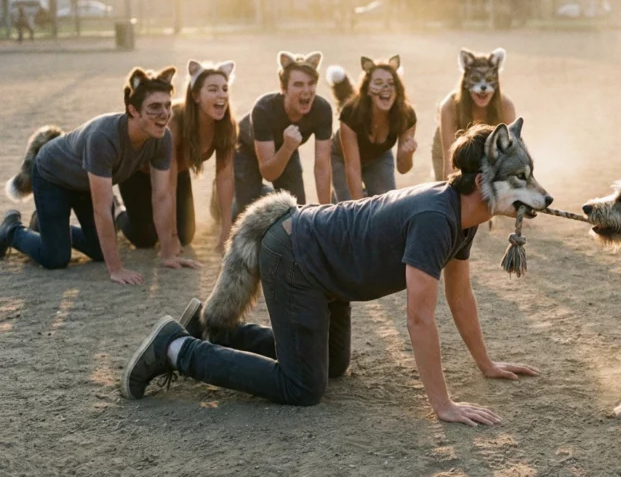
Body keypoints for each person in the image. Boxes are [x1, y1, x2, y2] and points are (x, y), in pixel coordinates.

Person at [121, 119, 554, 427]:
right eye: (521, 180)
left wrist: (485, 363)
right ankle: (175, 348)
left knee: (332, 366)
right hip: (297, 257)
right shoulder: (435, 219)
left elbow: (461, 297)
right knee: (302, 388)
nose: (539, 194)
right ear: (484, 178)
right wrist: (442, 404)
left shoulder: (465, 217)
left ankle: (206, 325)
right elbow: (420, 318)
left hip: (326, 271)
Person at [0, 67, 199, 284]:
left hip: (85, 183)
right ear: (133, 110)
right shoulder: (103, 137)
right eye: (154, 107)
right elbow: (102, 209)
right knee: (55, 258)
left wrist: (169, 254)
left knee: (97, 250)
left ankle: (44, 224)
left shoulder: (162, 136)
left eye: (167, 106)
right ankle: (12, 229)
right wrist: (116, 270)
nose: (164, 114)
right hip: (52, 175)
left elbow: (162, 196)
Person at [115, 60, 237, 253]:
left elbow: (225, 177)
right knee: (144, 239)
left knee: (186, 235)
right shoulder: (176, 121)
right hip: (138, 172)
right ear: (196, 95)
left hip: (177, 173)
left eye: (224, 89)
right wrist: (171, 238)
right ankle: (117, 210)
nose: (221, 95)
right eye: (213, 89)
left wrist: (226, 231)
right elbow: (167, 183)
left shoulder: (226, 125)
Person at [231, 51, 332, 220]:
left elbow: (322, 166)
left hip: (286, 149)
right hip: (246, 148)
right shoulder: (264, 109)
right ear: (283, 88)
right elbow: (268, 173)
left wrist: (327, 215)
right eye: (298, 84)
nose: (306, 90)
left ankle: (264, 193)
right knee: (248, 218)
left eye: (311, 83)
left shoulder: (322, 109)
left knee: (294, 214)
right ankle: (245, 195)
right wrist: (287, 147)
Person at [327, 55, 417, 202]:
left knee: (386, 206)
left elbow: (403, 168)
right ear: (367, 89)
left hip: (379, 156)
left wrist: (408, 154)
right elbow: (353, 168)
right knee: (349, 208)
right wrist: (358, 207)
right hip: (342, 158)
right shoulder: (350, 113)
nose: (385, 88)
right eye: (378, 83)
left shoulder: (406, 115)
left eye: (391, 83)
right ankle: (338, 198)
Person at [431, 48, 516, 182]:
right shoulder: (449, 106)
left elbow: (511, 153)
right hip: (450, 149)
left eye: (489, 79)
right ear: (465, 81)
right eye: (475, 79)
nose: (483, 87)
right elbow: (449, 165)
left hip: (486, 151)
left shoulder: (506, 107)